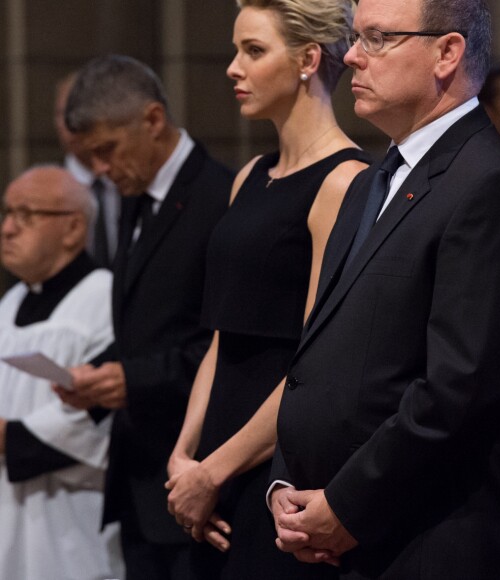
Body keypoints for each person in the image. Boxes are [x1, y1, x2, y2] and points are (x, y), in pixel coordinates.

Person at [269, 0, 500, 578]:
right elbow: (316, 360)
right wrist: (285, 484)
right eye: (354, 38)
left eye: (375, 38)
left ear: (446, 53)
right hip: (331, 537)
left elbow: (458, 392)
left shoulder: (492, 187)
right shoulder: (367, 185)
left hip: (432, 542)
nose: (350, 57)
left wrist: (345, 506)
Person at [165, 0, 370, 578]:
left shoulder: (344, 181)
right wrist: (185, 457)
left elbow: (316, 363)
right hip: (210, 464)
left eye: (253, 51)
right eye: (236, 49)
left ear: (308, 59)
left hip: (274, 464)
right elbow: (220, 342)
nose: (232, 66)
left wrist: (217, 470)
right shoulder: (248, 176)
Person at [54, 55, 233, 580]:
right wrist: (97, 376)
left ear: (153, 120)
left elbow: (229, 348)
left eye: (107, 151)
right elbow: (145, 326)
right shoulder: (134, 197)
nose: (102, 171)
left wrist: (131, 379)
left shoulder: (221, 197)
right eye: (91, 158)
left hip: (197, 477)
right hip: (138, 479)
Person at [0, 166, 123, 580]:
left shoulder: (105, 298)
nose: (7, 228)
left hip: (72, 528)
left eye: (25, 215)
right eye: (6, 213)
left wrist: (8, 437)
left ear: (73, 229)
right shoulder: (10, 302)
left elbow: (96, 416)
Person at [54, 72, 121, 268]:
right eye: (61, 113)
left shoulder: (139, 184)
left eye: (79, 113)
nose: (70, 124)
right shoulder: (43, 191)